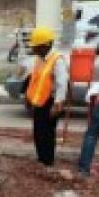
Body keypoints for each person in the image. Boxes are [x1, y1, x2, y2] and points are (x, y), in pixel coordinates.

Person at [25, 26, 69, 166]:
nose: (34, 50)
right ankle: (41, 158)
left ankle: (47, 161)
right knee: (38, 132)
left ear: (47, 45)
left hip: (51, 102)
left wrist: (57, 105)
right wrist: (29, 98)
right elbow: (35, 80)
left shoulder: (57, 60)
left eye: (37, 46)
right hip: (39, 102)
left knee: (47, 133)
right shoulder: (40, 58)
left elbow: (62, 83)